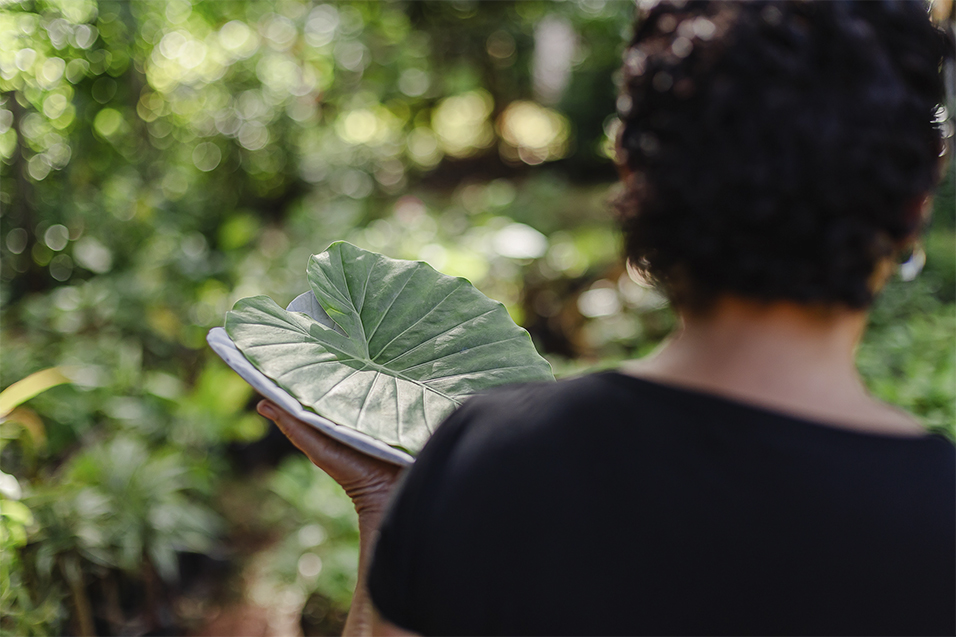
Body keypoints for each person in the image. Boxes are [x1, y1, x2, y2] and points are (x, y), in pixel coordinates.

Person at [256, 1, 955, 634]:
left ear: (631, 172)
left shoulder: (492, 460)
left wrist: (394, 512)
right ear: (915, 202)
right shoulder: (937, 522)